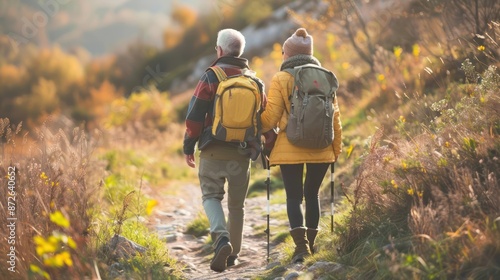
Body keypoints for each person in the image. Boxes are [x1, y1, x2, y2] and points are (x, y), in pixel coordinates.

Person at [183, 28, 265, 272]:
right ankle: (233, 256)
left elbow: (194, 117)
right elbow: (262, 118)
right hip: (241, 153)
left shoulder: (211, 76)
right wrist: (262, 146)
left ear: (219, 50)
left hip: (212, 149)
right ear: (240, 51)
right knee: (236, 206)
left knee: (211, 196)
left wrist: (189, 146)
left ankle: (221, 239)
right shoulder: (254, 80)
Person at [261, 28, 343, 263]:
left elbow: (270, 119)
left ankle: (301, 249)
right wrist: (335, 150)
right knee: (313, 194)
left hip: (290, 147)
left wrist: (256, 125)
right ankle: (312, 244)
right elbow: (335, 118)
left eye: (283, 52)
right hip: (322, 146)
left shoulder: (281, 78)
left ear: (288, 54)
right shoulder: (326, 76)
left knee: (294, 197)